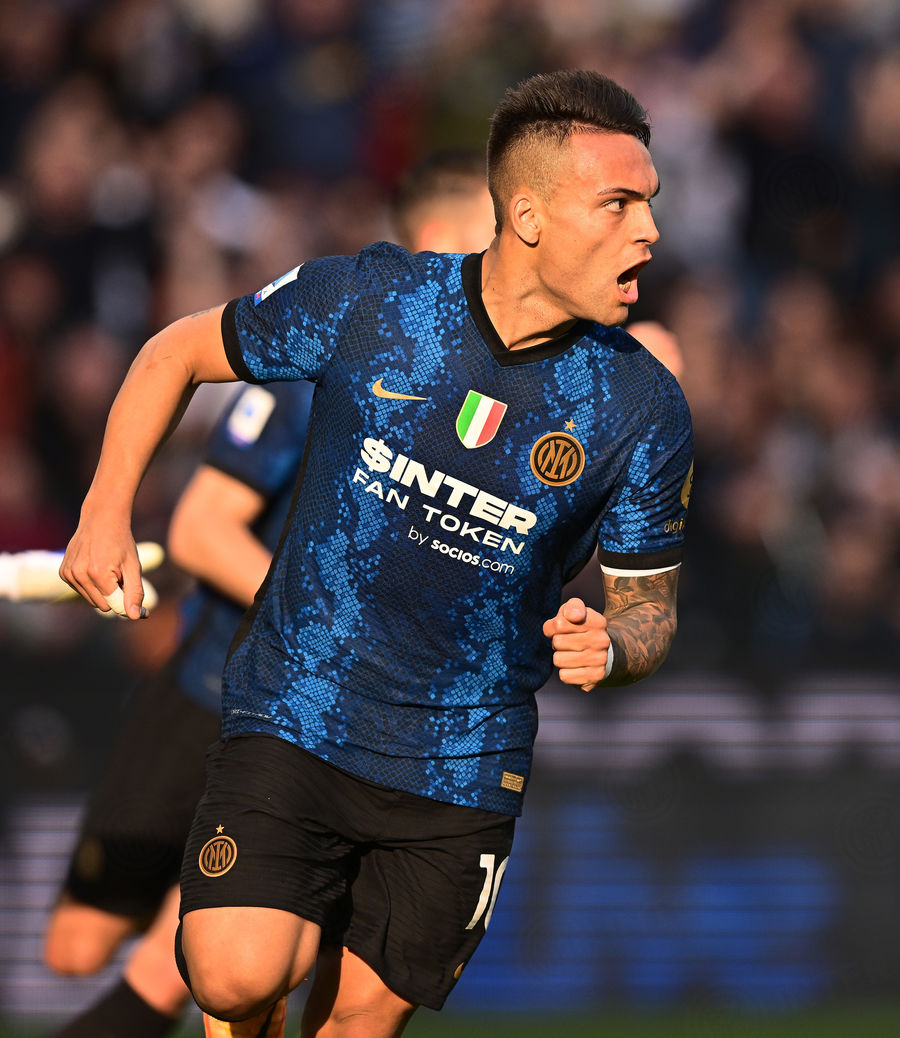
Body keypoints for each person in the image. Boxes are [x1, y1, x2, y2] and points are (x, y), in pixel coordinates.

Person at [59, 69, 693, 1038]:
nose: (648, 230)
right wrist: (104, 510)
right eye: (619, 203)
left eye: (650, 203)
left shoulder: (643, 409)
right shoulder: (375, 300)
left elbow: (650, 607)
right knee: (230, 977)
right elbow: (175, 352)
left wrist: (614, 645)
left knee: (354, 1027)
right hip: (297, 714)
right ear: (528, 215)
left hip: (461, 765)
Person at [22, 150, 499, 1038]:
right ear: (442, 237)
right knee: (78, 950)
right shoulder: (337, 355)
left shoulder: (501, 386)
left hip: (308, 717)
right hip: (213, 680)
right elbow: (202, 530)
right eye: (496, 227)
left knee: (215, 970)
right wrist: (345, 620)